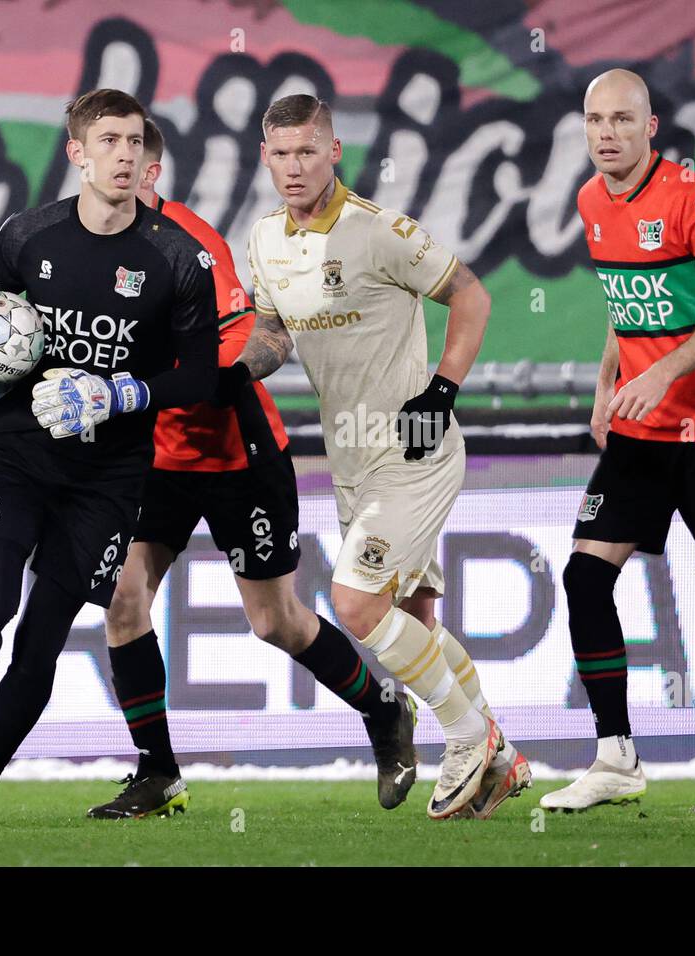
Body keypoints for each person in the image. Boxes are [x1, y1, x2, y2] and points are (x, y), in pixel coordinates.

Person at [87, 119, 417, 820]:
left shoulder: (188, 244)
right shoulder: (81, 247)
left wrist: (208, 375)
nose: (123, 169)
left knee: (276, 622)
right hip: (156, 461)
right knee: (122, 598)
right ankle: (157, 772)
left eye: (136, 159)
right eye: (108, 153)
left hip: (240, 452)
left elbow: (258, 338)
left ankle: (385, 709)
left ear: (153, 174)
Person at [222, 93, 529, 820]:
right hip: (353, 461)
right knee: (414, 621)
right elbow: (273, 333)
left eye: (308, 151)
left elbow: (472, 296)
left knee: (355, 604)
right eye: (281, 154)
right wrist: (233, 372)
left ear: (333, 152)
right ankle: (502, 751)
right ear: (264, 158)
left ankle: (463, 737)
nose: (295, 167)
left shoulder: (380, 231)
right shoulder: (264, 239)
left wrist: (443, 390)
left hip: (415, 450)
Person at [0, 89, 221, 826]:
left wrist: (117, 394)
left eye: (136, 143)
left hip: (107, 480)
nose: (126, 155)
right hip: (18, 454)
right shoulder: (27, 236)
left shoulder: (179, 259)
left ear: (150, 158)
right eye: (110, 141)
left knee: (43, 639)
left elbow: (202, 375)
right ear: (77, 153)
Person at [542, 70, 695, 815]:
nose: (607, 132)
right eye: (594, 119)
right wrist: (606, 385)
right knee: (585, 579)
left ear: (652, 127)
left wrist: (666, 375)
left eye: (622, 118)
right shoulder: (591, 200)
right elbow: (630, 306)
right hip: (640, 433)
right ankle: (614, 756)